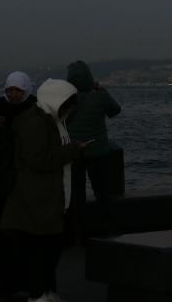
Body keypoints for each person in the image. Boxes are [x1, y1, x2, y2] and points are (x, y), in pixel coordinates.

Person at [0, 78, 86, 302]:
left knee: (47, 250)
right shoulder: (36, 123)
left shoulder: (51, 120)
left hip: (49, 197)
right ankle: (39, 294)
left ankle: (46, 291)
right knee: (41, 251)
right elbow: (39, 160)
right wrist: (72, 151)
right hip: (38, 197)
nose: (70, 109)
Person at [0, 71, 37, 302]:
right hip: (2, 183)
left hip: (18, 183)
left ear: (25, 90)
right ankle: (2, 284)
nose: (12, 94)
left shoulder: (32, 111)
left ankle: (17, 283)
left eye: (17, 90)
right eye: (10, 90)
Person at [65, 60, 121, 239]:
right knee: (102, 192)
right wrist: (101, 90)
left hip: (74, 151)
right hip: (97, 151)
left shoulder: (66, 100)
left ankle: (76, 234)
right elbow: (115, 111)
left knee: (76, 194)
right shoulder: (99, 95)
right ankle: (109, 231)